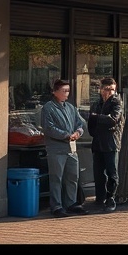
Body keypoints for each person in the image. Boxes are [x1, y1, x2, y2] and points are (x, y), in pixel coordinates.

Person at [40, 78, 88, 217]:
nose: (67, 93)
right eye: (64, 91)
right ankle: (56, 206)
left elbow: (80, 123)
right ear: (55, 92)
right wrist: (66, 135)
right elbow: (48, 128)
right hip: (56, 149)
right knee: (56, 178)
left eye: (68, 90)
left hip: (71, 149)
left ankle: (71, 203)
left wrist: (78, 132)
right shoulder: (48, 107)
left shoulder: (71, 108)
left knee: (72, 176)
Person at [88, 76, 124, 212]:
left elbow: (113, 120)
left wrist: (97, 117)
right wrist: (97, 123)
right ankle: (100, 197)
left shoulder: (116, 103)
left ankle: (111, 198)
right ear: (101, 89)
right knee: (98, 172)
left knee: (112, 172)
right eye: (107, 89)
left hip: (111, 142)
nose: (110, 92)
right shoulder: (96, 103)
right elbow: (90, 122)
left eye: (112, 89)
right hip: (98, 141)